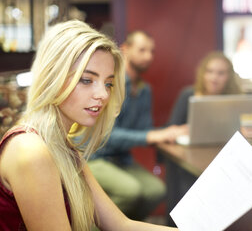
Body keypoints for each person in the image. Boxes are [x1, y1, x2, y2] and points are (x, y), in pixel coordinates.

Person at [0, 20, 178, 231]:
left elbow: (120, 225)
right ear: (53, 77)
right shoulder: (32, 150)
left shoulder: (64, 148)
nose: (103, 95)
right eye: (86, 80)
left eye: (108, 83)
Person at [88, 30, 186, 221]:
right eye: (142, 50)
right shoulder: (111, 84)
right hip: (94, 157)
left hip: (121, 160)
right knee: (131, 191)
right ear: (125, 50)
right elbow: (106, 135)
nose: (148, 56)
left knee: (156, 191)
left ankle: (126, 225)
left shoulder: (144, 89)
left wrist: (169, 132)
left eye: (151, 51)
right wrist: (151, 136)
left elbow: (144, 130)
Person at [168, 51, 243, 125]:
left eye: (221, 73)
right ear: (203, 73)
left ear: (229, 76)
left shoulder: (237, 100)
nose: (214, 78)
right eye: (210, 71)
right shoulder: (188, 95)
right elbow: (172, 126)